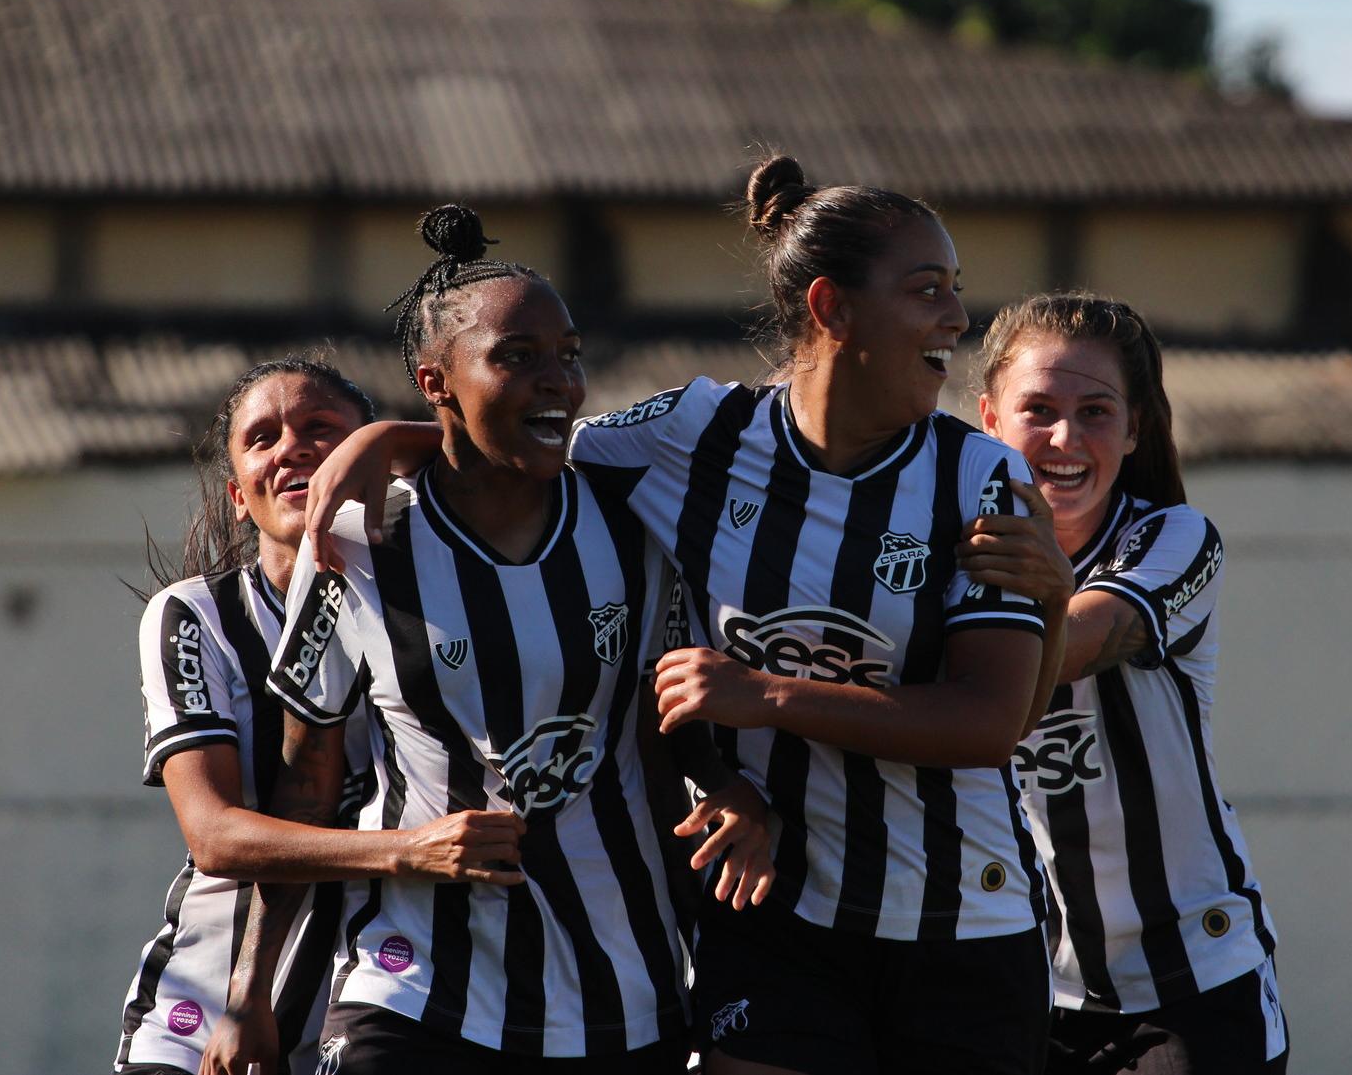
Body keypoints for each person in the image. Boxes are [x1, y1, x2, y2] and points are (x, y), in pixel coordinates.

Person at [308, 160, 1064, 1075]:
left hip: (960, 919)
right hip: (774, 913)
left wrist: (765, 695)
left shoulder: (978, 477)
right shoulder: (693, 435)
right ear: (831, 307)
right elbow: (532, 436)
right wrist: (391, 435)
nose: (956, 318)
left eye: (956, 291)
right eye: (928, 290)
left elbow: (984, 722)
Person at [257, 205, 774, 1074]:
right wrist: (252, 999)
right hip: (414, 981)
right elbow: (304, 784)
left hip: (623, 986)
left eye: (569, 357)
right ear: (436, 382)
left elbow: (660, 729)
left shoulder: (631, 515)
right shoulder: (351, 544)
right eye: (518, 358)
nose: (559, 384)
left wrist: (727, 786)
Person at [963, 291, 1287, 1074]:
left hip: (1189, 984)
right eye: (1037, 408)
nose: (1065, 436)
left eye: (1097, 411)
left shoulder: (1174, 537)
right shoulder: (949, 552)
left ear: (1134, 427)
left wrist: (1026, 592)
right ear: (989, 420)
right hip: (1025, 981)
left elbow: (1079, 639)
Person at [116, 354, 385, 1075]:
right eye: (263, 438)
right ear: (240, 495)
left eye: (321, 429)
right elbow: (214, 835)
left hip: (380, 993)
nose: (292, 446)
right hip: (208, 1003)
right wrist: (414, 849)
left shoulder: (433, 599)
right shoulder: (195, 615)